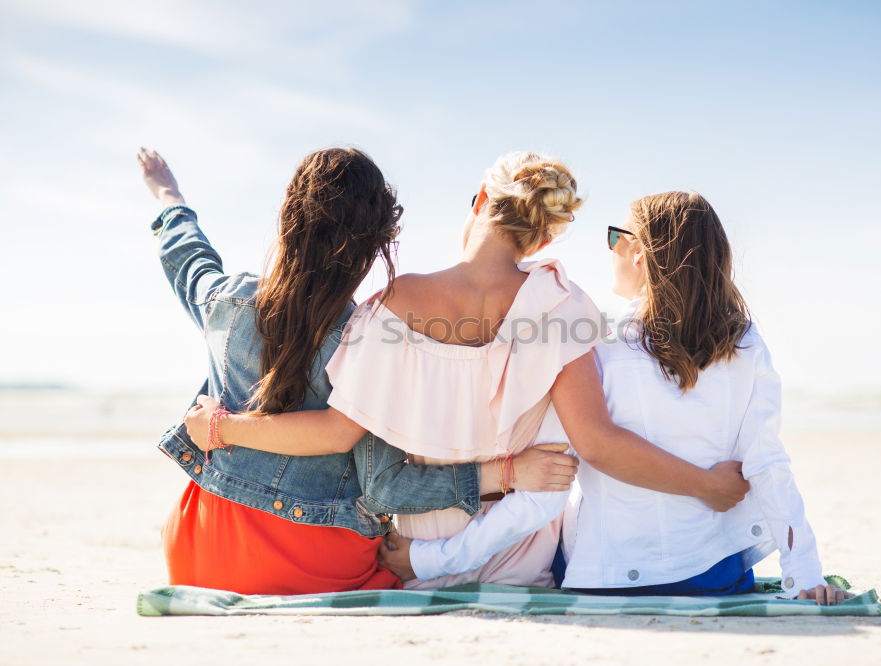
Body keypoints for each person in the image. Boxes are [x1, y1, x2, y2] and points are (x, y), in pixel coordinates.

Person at [185, 152, 750, 589]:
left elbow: (352, 449)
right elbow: (597, 444)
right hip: (517, 548)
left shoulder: (395, 303)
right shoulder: (565, 308)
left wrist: (224, 427)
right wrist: (707, 486)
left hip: (415, 543)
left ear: (481, 198)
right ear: (548, 233)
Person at [138, 147, 578, 595]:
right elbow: (386, 485)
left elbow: (188, 258)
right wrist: (505, 474)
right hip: (319, 564)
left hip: (198, 551)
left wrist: (169, 198)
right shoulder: (371, 335)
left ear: (287, 217)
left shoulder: (224, 303)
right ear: (379, 241)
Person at [379, 192, 852, 605]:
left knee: (553, 494)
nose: (609, 252)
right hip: (714, 576)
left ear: (641, 253)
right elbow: (767, 464)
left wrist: (429, 560)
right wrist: (805, 575)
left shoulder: (594, 345)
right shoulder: (744, 342)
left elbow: (546, 492)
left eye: (614, 237)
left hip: (604, 577)